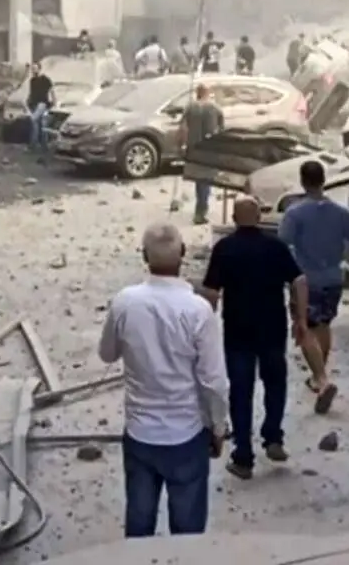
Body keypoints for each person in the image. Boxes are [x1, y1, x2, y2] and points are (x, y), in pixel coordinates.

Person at [99, 222, 229, 538]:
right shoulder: (198, 310)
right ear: (183, 253)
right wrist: (218, 427)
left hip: (140, 432)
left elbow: (107, 354)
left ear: (144, 256)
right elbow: (213, 381)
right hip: (186, 433)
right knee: (187, 532)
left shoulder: (125, 302)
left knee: (139, 523)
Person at [195, 195, 308, 480]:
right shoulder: (275, 246)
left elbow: (211, 293)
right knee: (275, 383)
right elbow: (299, 280)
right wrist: (301, 320)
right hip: (273, 328)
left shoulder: (225, 248)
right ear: (259, 218)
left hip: (238, 331)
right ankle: (273, 437)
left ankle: (243, 456)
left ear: (234, 219)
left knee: (241, 391)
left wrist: (203, 331)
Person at [278, 160, 349, 415]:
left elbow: (281, 247)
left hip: (305, 281)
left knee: (305, 327)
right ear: (324, 180)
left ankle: (321, 379)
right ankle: (318, 375)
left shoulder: (295, 213)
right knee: (324, 325)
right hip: (334, 279)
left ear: (302, 181)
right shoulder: (341, 213)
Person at [180, 84, 223, 225]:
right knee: (205, 180)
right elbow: (222, 130)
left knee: (200, 181)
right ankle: (200, 212)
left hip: (194, 149)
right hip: (210, 149)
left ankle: (200, 209)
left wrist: (183, 145)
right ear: (207, 93)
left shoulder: (190, 107)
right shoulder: (215, 108)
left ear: (197, 93)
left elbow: (183, 128)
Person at [25, 61, 55, 157]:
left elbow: (52, 91)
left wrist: (54, 101)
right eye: (32, 69)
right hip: (34, 104)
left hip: (42, 104)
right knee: (40, 125)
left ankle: (33, 146)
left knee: (34, 121)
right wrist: (28, 100)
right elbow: (32, 92)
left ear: (39, 69)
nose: (33, 70)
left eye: (35, 68)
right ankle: (43, 146)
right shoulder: (32, 80)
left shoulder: (45, 79)